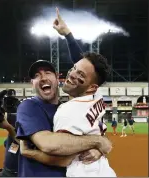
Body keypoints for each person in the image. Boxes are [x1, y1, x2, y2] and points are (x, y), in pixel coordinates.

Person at [16, 8, 113, 177]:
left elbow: (85, 68)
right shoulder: (28, 106)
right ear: (32, 83)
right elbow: (50, 146)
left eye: (47, 73)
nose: (43, 78)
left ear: (56, 77)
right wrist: (99, 142)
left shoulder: (68, 108)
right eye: (36, 76)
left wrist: (100, 145)